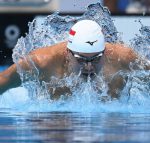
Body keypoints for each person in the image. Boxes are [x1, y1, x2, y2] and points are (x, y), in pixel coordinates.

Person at [0, 20, 149, 99]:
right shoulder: (41, 63)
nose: (89, 66)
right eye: (81, 59)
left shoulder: (124, 58)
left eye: (96, 59)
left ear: (105, 52)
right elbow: (3, 81)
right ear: (67, 53)